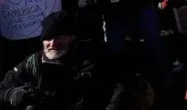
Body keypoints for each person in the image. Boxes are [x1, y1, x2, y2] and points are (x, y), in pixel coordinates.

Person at [0, 11, 152, 109]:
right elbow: (3, 88)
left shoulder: (94, 55)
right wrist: (13, 94)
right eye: (48, 38)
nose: (52, 44)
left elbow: (124, 83)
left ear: (72, 37)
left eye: (59, 37)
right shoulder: (33, 62)